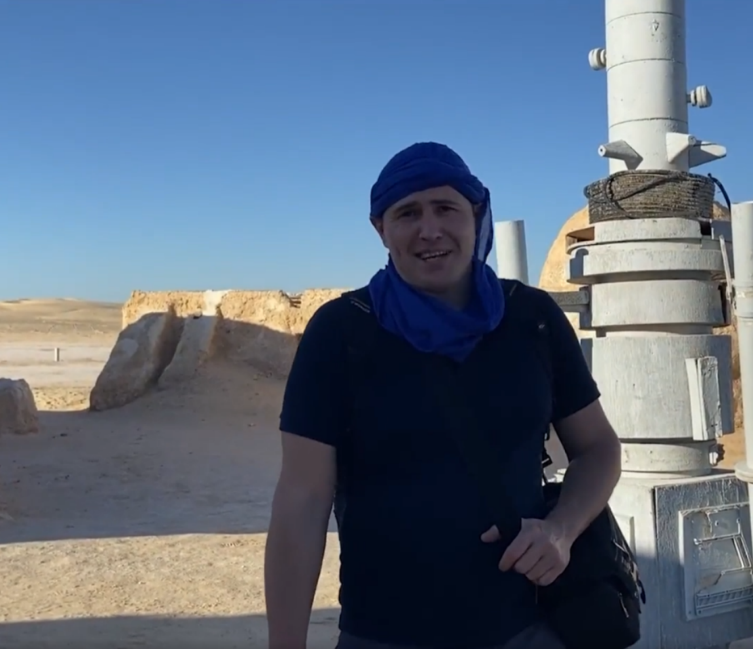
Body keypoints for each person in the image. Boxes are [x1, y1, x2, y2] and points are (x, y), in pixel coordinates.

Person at [264, 142, 623, 649]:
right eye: (407, 212)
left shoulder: (533, 320)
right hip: (383, 633)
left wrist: (561, 530)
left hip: (526, 626)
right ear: (380, 229)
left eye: (446, 209)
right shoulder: (341, 332)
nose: (429, 229)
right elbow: (302, 498)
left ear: (476, 217)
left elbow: (599, 449)